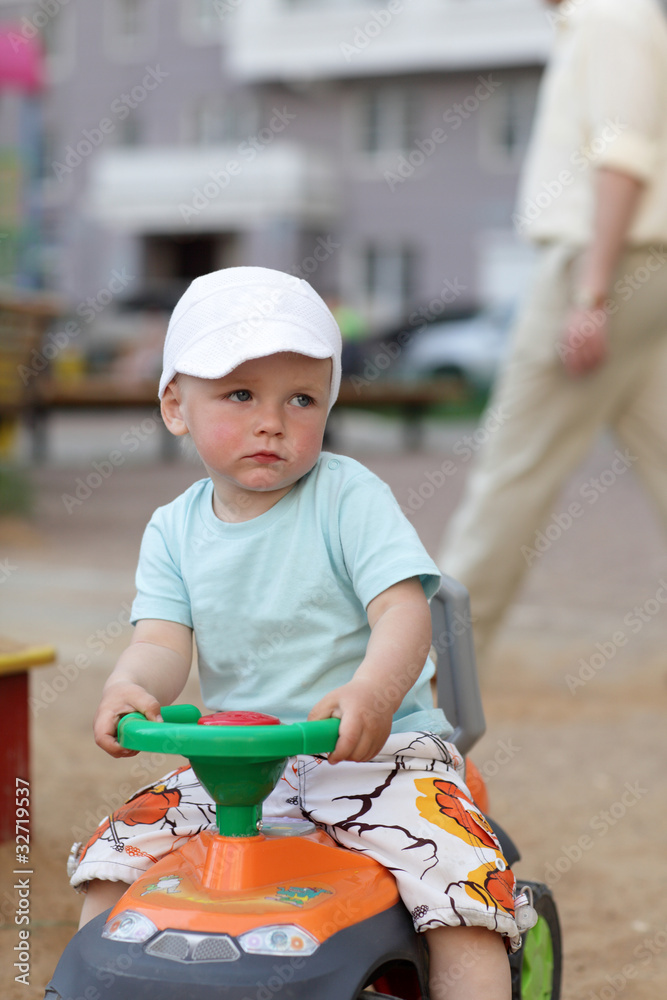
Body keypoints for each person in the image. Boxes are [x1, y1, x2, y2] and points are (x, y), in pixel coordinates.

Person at [67, 266, 534, 1000]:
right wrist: (131, 686)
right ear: (175, 406)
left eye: (302, 399)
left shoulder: (347, 497)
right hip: (235, 764)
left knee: (461, 887)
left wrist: (372, 692)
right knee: (115, 857)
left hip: (375, 754)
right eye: (240, 394)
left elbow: (404, 608)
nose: (271, 421)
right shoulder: (173, 529)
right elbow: (161, 641)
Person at [438, 0, 667, 665]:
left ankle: (424, 685)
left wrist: (590, 294)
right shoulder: (624, 20)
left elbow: (622, 159)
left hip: (600, 264)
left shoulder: (608, 19)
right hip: (639, 268)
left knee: (511, 474)